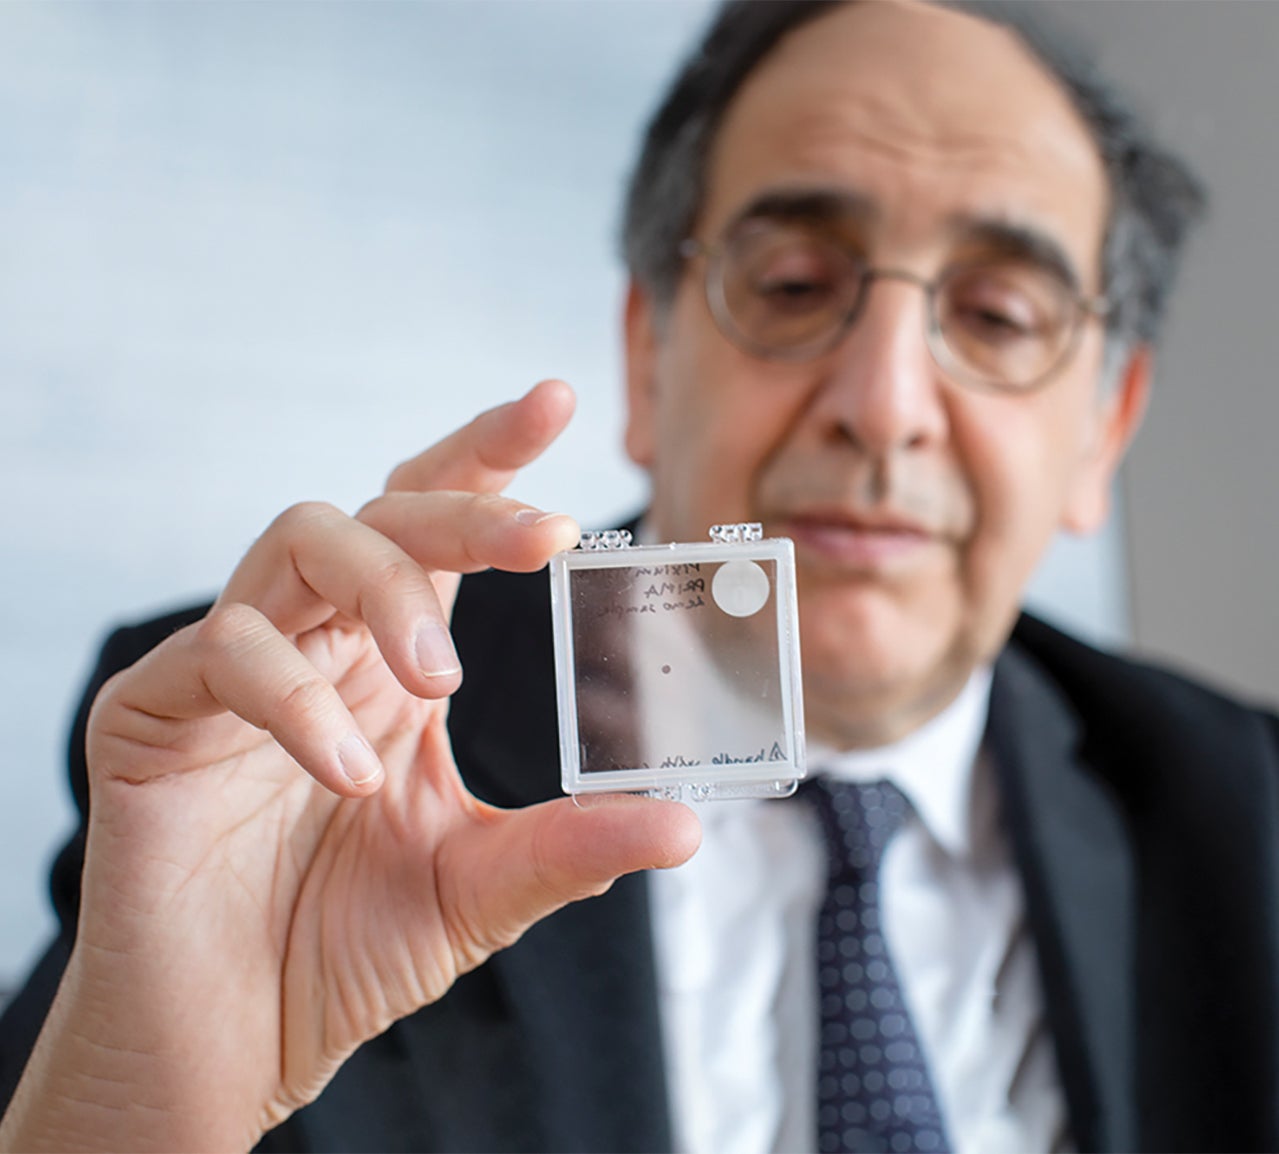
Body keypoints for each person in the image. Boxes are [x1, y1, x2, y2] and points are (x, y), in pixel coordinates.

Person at [3, 1, 1275, 1151]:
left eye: (997, 317)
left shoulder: (1250, 821)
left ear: (1103, 426)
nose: (883, 406)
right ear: (645, 354)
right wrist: (168, 1100)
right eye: (790, 284)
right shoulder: (285, 764)